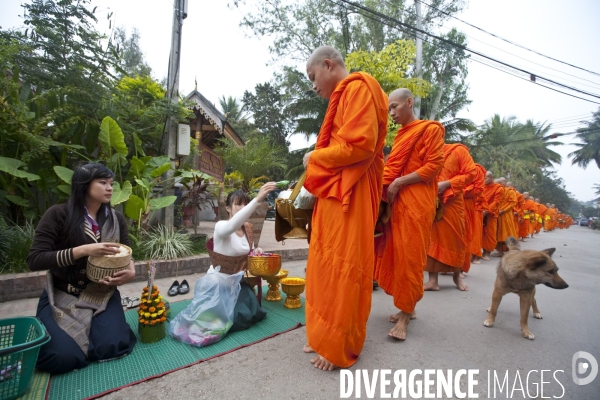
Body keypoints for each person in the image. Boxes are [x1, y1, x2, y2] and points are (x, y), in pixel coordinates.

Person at [302, 46, 388, 370]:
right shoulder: (345, 95)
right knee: (324, 264)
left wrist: (315, 158)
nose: (313, 86)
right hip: (335, 192)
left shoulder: (358, 87)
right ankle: (323, 334)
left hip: (352, 192)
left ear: (328, 64)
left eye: (313, 77)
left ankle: (340, 345)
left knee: (345, 267)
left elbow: (360, 143)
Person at [27, 163, 137, 374]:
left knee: (113, 346)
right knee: (62, 358)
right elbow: (35, 259)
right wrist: (83, 250)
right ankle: (55, 328)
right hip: (62, 294)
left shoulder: (116, 219)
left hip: (101, 293)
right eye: (102, 182)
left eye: (111, 184)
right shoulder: (58, 215)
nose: (110, 188)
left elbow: (126, 250)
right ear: (84, 185)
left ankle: (96, 331)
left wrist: (130, 271)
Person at [374, 88, 444, 340]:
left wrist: (400, 181)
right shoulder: (403, 135)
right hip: (398, 205)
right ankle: (408, 307)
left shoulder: (430, 130)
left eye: (394, 106)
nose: (391, 112)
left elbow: (434, 166)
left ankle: (404, 317)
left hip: (417, 204)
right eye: (389, 109)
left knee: (411, 258)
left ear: (409, 102)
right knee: (398, 256)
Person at [208, 183, 278, 331]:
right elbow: (233, 225)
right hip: (220, 284)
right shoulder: (221, 226)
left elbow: (249, 251)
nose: (243, 207)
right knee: (237, 320)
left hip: (239, 283)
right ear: (228, 208)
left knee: (256, 314)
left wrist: (256, 251)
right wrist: (257, 200)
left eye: (245, 204)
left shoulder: (248, 228)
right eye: (238, 204)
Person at [424, 143, 476, 291]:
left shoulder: (458, 151)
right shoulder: (428, 150)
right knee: (431, 239)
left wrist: (447, 183)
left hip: (452, 201)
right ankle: (433, 280)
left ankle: (457, 277)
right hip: (431, 199)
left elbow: (470, 173)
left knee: (456, 238)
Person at [464, 163, 485, 265]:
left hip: (474, 210)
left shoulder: (476, 172)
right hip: (455, 204)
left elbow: (483, 201)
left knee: (474, 235)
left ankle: (476, 256)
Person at [491, 177, 517, 257]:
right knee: (497, 233)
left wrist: (503, 210)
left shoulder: (510, 192)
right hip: (496, 214)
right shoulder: (495, 191)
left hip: (506, 215)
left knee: (507, 233)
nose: (501, 183)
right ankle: (500, 251)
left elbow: (513, 203)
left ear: (505, 183)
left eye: (503, 182)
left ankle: (510, 251)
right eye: (499, 182)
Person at [481, 171, 503, 261]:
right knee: (481, 234)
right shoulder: (482, 186)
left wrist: (486, 210)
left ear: (491, 177)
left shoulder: (499, 188)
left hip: (491, 214)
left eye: (486, 178)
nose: (484, 180)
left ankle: (487, 253)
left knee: (490, 234)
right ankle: (482, 251)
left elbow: (496, 202)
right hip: (481, 212)